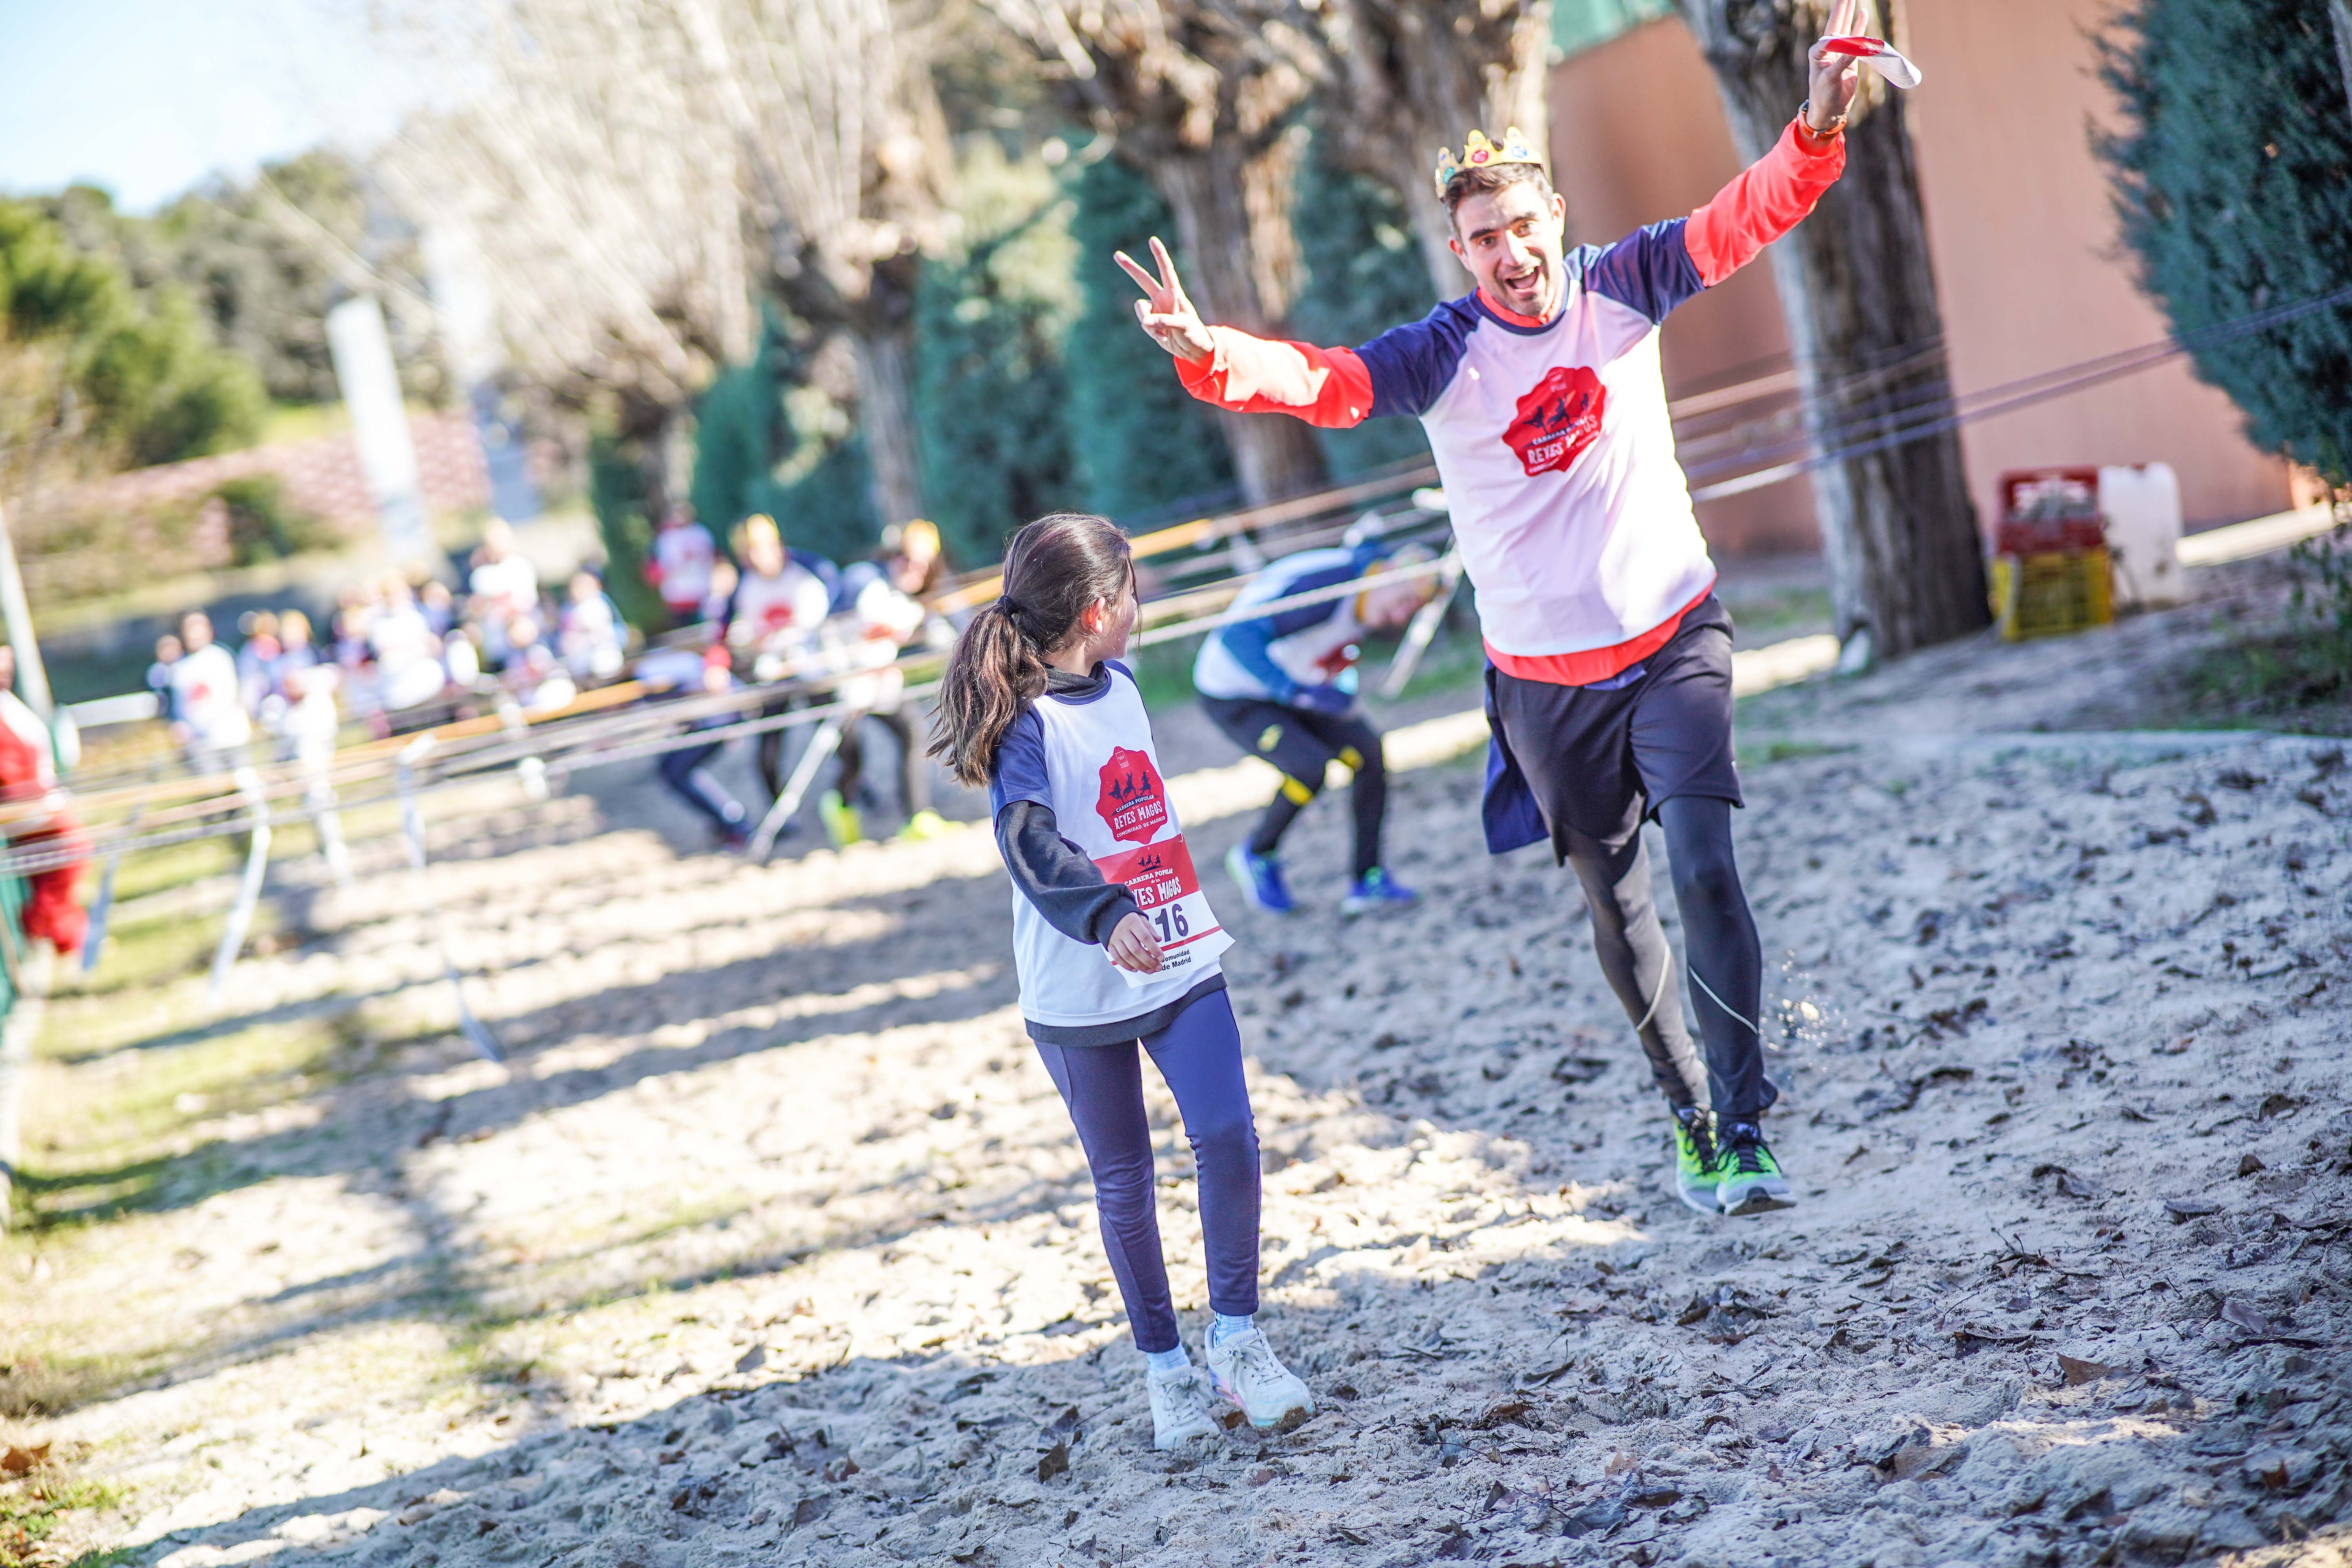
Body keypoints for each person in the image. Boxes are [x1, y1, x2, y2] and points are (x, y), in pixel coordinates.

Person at [1118, 5, 1878, 1218]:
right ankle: (1686, 1115)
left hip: (1674, 632)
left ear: (1554, 221)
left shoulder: (1623, 283)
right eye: (1483, 238)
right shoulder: (1442, 352)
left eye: (1522, 225)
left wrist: (1815, 124)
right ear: (1460, 252)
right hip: (1544, 681)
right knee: (1614, 899)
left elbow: (1746, 218)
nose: (1509, 250)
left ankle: (1743, 1121)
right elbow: (1322, 383)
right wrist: (1210, 353)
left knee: (1704, 864)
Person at [929, 512, 1314, 1451]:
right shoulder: (1024, 724)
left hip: (1180, 952)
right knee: (1125, 1180)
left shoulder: (1128, 682)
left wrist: (1148, 913)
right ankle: (1167, 1370)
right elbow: (1025, 839)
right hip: (1077, 982)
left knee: (1227, 1133)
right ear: (1099, 609)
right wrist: (1105, 913)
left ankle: (1237, 1339)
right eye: (1133, 590)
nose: (1142, 606)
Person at [1194, 538, 1438, 916]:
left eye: (1413, 610)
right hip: (1234, 690)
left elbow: (1327, 649)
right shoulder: (1334, 584)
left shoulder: (1366, 596)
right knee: (1309, 767)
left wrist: (1335, 691)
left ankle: (1368, 879)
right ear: (1388, 573)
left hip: (1294, 688)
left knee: (1369, 754)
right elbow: (1237, 637)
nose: (1401, 617)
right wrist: (1297, 693)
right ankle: (1256, 854)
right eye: (1405, 601)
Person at [820, 546, 952, 847]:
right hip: (842, 683)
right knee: (852, 758)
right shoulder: (866, 581)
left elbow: (939, 636)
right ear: (895, 558)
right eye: (907, 561)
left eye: (922, 566)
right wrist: (849, 671)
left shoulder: (910, 603)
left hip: (878, 681)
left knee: (910, 734)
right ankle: (841, 810)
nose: (913, 570)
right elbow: (847, 627)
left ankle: (917, 817)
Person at [725, 514, 836, 802]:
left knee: (836, 735)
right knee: (769, 748)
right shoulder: (745, 587)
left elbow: (825, 610)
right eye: (751, 551)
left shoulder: (806, 573)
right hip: (773, 672)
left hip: (810, 666)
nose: (760, 557)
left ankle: (856, 791)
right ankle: (779, 807)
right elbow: (735, 631)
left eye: (764, 548)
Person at [0, 646, 87, 955]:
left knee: (55, 874)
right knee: (72, 857)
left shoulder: (7, 702)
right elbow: (8, 773)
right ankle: (48, 931)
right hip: (26, 810)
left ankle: (60, 937)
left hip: (37, 804)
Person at [639, 644, 753, 851]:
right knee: (674, 772)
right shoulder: (665, 667)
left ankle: (733, 822)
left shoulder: (674, 666)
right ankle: (728, 821)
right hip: (714, 720)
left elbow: (715, 680)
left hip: (719, 720)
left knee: (676, 772)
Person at [167, 611, 253, 775]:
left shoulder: (220, 657)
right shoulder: (179, 669)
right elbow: (181, 707)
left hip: (230, 735)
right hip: (202, 743)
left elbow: (229, 697)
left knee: (245, 782)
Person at [468, 521, 540, 667]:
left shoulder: (522, 566)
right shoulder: (481, 575)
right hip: (497, 647)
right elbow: (477, 611)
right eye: (492, 542)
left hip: (526, 643)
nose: (497, 546)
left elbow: (526, 603)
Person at [646, 505, 719, 628]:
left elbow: (712, 559)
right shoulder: (666, 538)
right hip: (677, 596)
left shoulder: (701, 533)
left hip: (702, 592)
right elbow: (656, 568)